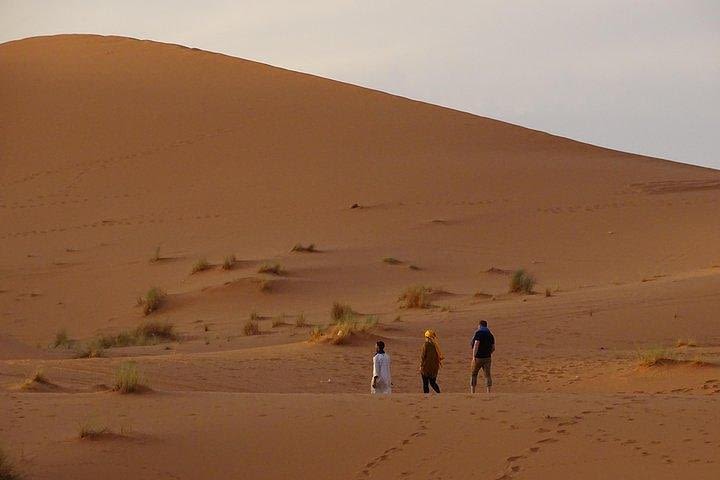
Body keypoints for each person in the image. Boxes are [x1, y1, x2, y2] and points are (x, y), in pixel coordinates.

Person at [470, 320, 495, 393]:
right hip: (487, 358)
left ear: (480, 325)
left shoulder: (478, 333)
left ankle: (472, 392)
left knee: (473, 374)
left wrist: (474, 356)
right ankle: (488, 392)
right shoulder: (490, 335)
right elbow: (493, 348)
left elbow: (476, 344)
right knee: (487, 375)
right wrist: (488, 353)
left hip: (478, 357)